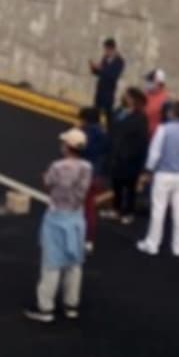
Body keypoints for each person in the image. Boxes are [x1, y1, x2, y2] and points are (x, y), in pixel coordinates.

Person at [24, 128, 91, 323]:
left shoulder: (57, 166)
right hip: (77, 217)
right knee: (74, 263)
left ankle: (45, 307)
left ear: (68, 147)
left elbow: (48, 182)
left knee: (51, 264)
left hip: (57, 217)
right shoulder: (87, 167)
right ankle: (71, 305)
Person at [137, 103, 179, 257]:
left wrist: (149, 169)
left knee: (158, 209)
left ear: (175, 113)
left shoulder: (164, 129)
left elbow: (155, 153)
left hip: (163, 174)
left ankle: (152, 244)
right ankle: (178, 246)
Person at [103, 87, 149, 225]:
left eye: (127, 96)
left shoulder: (140, 118)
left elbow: (141, 140)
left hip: (130, 159)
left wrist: (132, 156)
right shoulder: (119, 112)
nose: (124, 97)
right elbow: (111, 128)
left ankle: (128, 212)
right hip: (115, 155)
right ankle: (116, 209)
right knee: (116, 184)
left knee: (129, 187)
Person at [78, 107, 108, 253]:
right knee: (90, 209)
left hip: (84, 175)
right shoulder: (103, 133)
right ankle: (89, 239)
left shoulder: (86, 133)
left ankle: (79, 236)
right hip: (97, 174)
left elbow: (82, 149)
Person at [89, 38, 125, 127]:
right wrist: (94, 69)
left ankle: (110, 131)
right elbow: (100, 72)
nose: (105, 51)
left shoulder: (119, 62)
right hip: (100, 89)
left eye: (107, 49)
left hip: (109, 91)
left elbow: (113, 75)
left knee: (108, 113)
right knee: (96, 111)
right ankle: (94, 127)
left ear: (112, 49)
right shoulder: (105, 58)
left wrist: (101, 69)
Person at [144, 69, 170, 138]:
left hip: (154, 136)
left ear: (159, 83)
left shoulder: (165, 99)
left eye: (150, 81)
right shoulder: (146, 94)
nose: (147, 83)